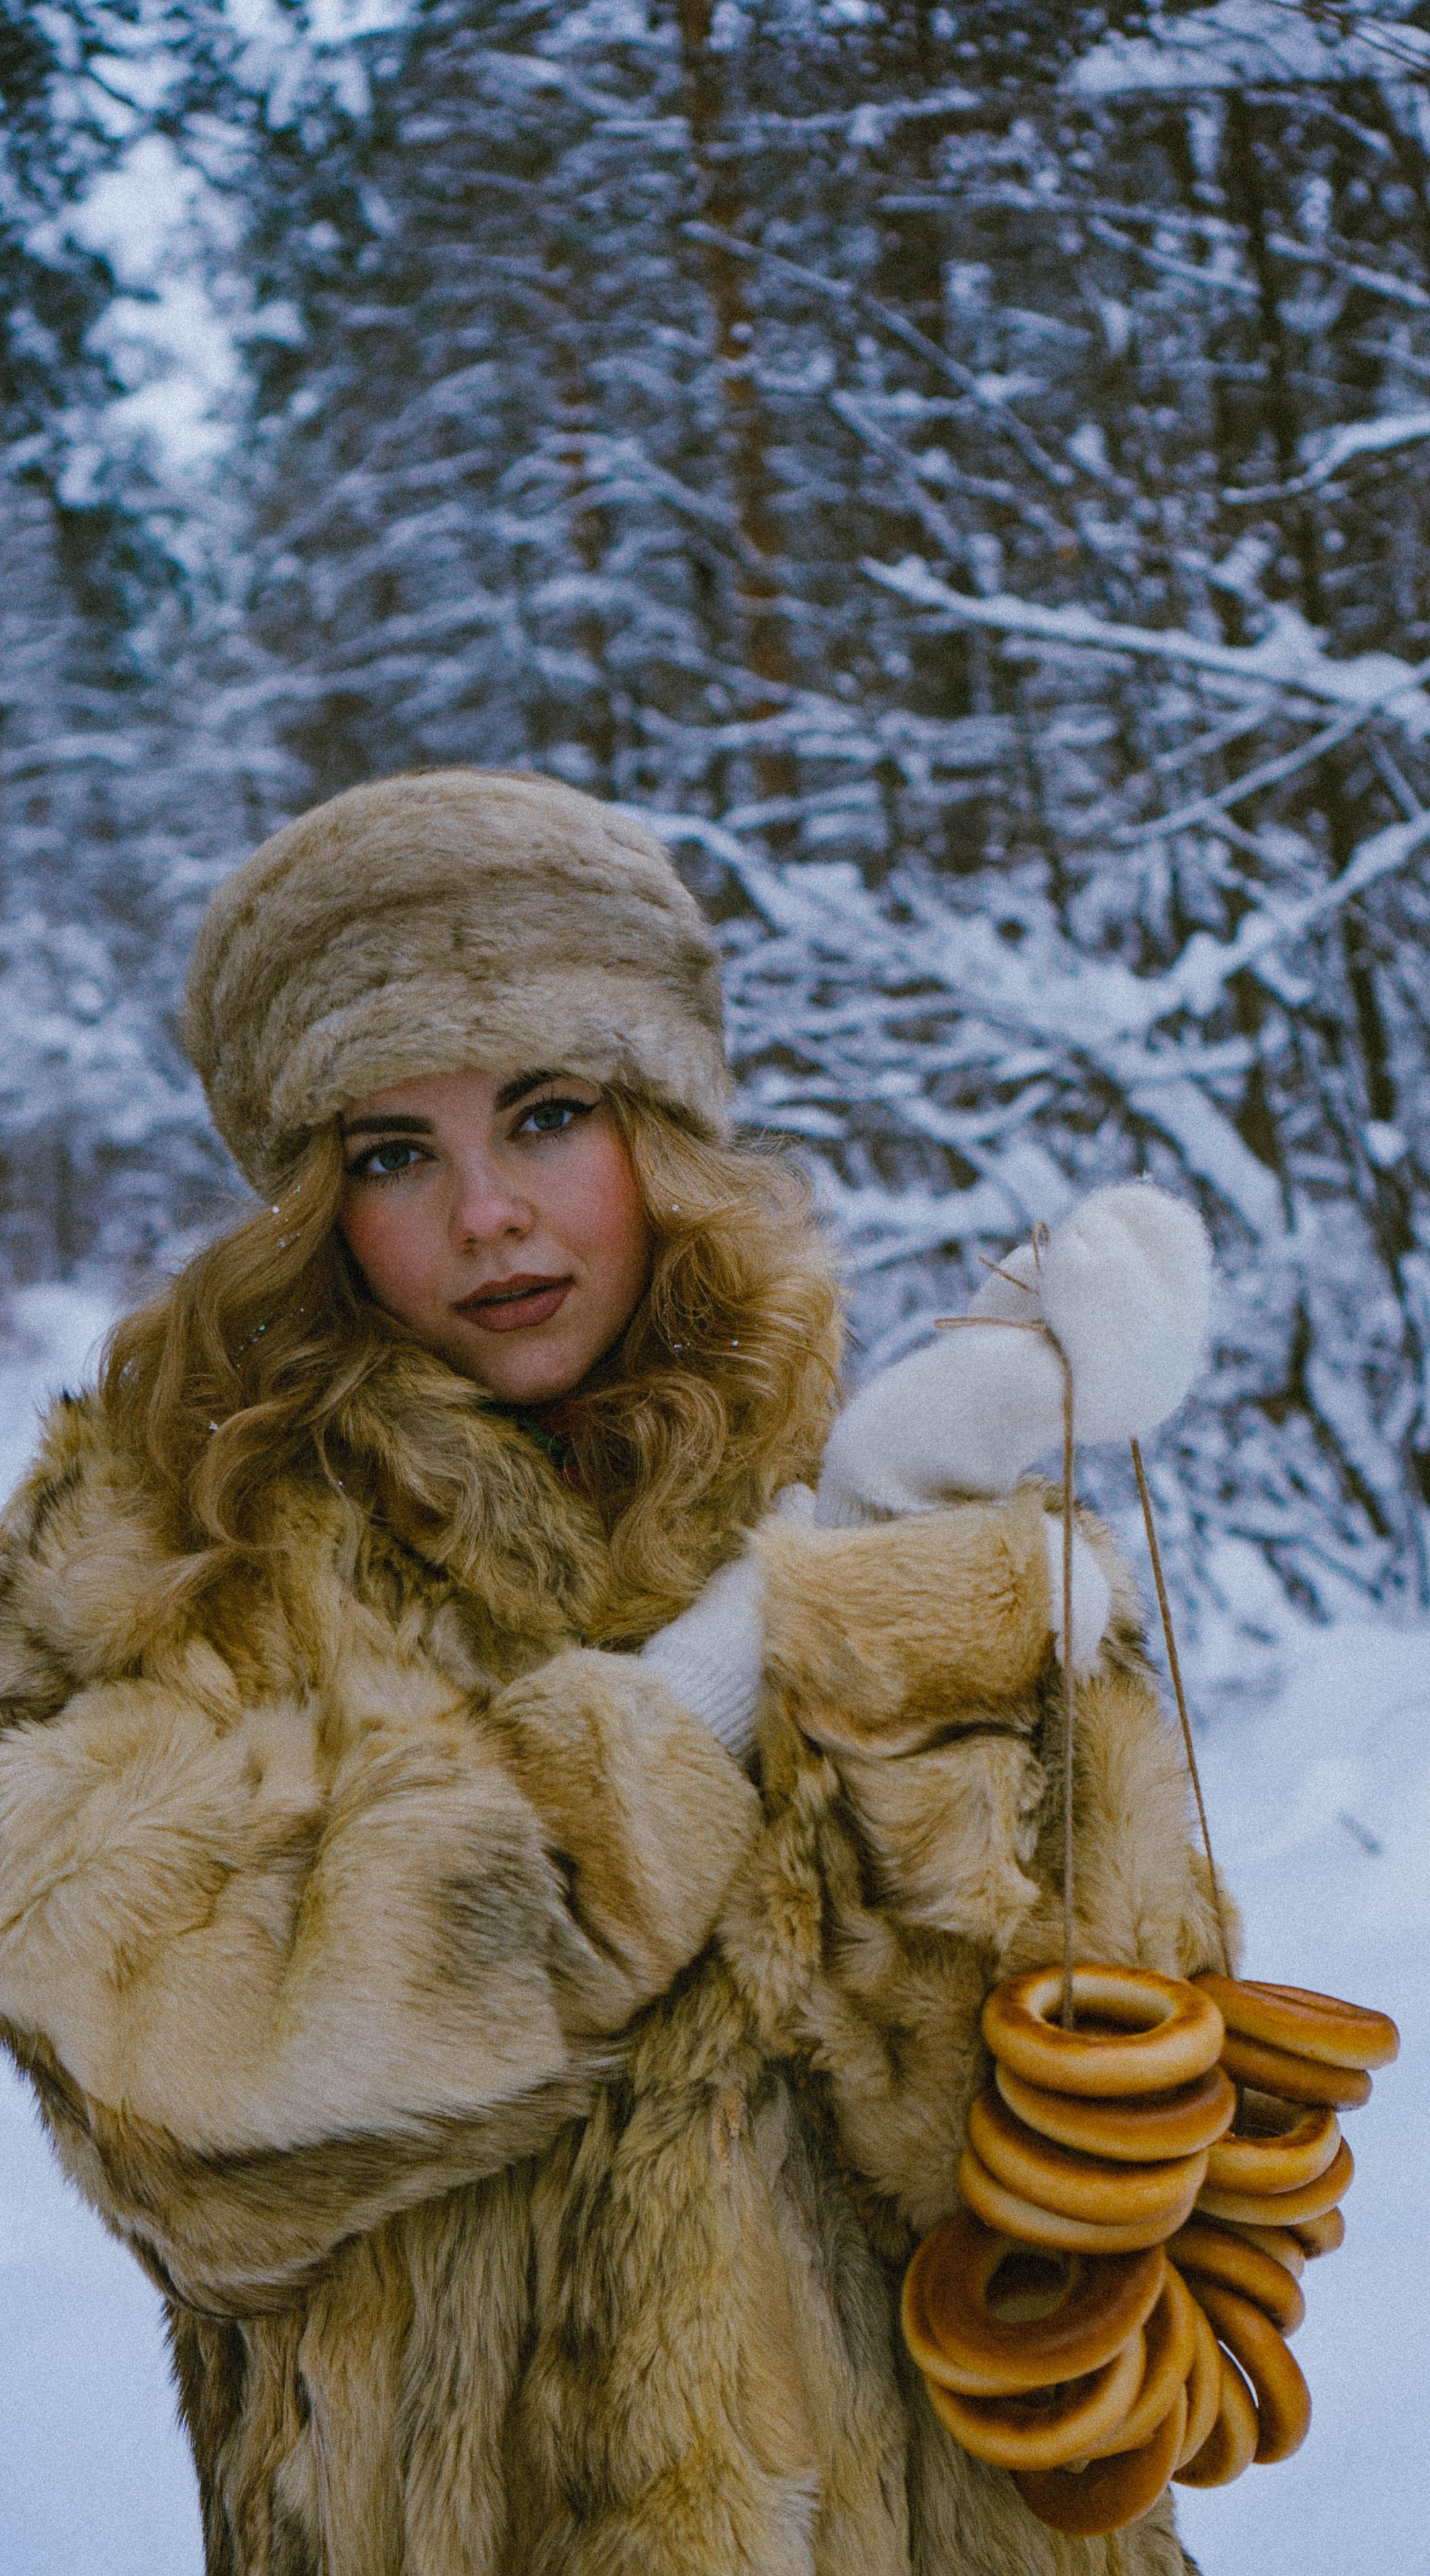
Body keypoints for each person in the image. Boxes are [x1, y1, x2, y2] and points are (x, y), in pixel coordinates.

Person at [0, 769, 1231, 2576]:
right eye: (393, 1153)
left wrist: (919, 1616)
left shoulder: (863, 1485)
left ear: (657, 1128)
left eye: (547, 1114)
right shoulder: (168, 1558)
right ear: (312, 1203)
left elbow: (1084, 2158)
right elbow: (195, 2113)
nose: (488, 1215)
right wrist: (723, 1683)